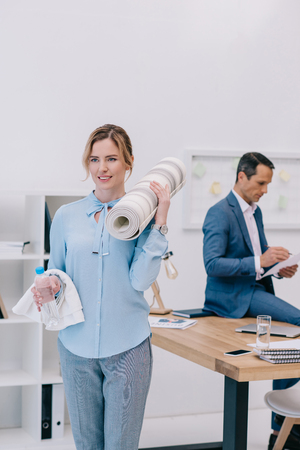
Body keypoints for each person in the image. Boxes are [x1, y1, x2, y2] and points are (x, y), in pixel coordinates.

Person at [32, 124, 170, 450]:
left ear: (129, 162)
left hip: (128, 347)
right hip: (75, 348)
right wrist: (50, 282)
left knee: (121, 445)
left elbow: (140, 281)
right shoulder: (66, 216)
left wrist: (160, 222)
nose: (102, 168)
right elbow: (59, 271)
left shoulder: (145, 217)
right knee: (87, 445)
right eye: (94, 160)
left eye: (111, 159)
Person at [202, 152, 299, 450]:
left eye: (268, 184)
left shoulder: (254, 211)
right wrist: (260, 260)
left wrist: (277, 266)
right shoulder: (219, 212)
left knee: (290, 338)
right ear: (241, 176)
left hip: (257, 290)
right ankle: (286, 425)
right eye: (261, 183)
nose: (265, 190)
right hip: (234, 297)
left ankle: (283, 427)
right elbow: (213, 264)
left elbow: (257, 253)